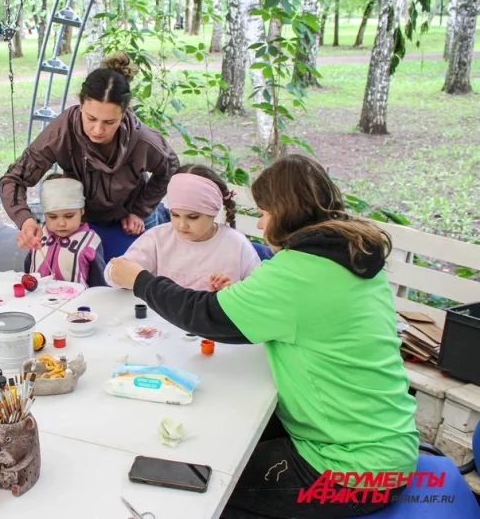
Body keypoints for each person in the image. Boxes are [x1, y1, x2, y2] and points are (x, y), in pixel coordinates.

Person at [109, 154, 418, 518]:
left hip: (349, 471)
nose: (260, 221)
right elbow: (246, 319)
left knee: (200, 482)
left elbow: (206, 315)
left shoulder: (299, 272)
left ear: (286, 213)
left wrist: (141, 281)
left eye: (265, 211)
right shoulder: (352, 255)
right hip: (387, 443)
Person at [0, 52, 179, 258]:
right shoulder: (61, 133)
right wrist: (25, 220)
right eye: (91, 118)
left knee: (136, 279)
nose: (98, 130)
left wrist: (140, 210)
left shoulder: (144, 140)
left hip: (133, 219)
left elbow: (170, 168)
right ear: (80, 103)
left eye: (110, 122)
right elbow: (13, 179)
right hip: (83, 218)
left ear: (125, 111)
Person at [104, 165, 260, 291]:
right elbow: (112, 275)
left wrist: (232, 292)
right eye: (175, 215)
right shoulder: (158, 239)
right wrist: (116, 273)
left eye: (193, 217)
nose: (181, 225)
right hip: (162, 326)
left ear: (213, 212)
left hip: (214, 326)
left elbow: (259, 293)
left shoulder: (236, 245)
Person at [25, 174, 106, 287]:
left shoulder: (90, 241)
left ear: (81, 210)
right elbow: (28, 268)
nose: (61, 223)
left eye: (69, 216)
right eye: (53, 217)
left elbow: (99, 282)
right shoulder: (38, 235)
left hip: (75, 302)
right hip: (38, 300)